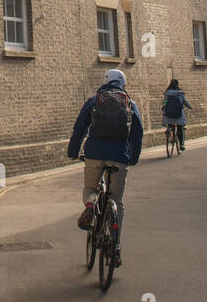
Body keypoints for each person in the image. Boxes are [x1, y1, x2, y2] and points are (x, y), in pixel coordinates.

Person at [67, 69, 143, 265]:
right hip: (119, 157)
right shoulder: (129, 103)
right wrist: (132, 158)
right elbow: (137, 134)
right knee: (117, 200)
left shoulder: (94, 101)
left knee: (90, 188)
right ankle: (116, 246)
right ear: (122, 84)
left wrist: (73, 152)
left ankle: (91, 206)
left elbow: (79, 128)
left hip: (94, 153)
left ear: (106, 82)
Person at [161, 78, 192, 150]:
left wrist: (164, 108)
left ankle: (169, 128)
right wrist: (189, 107)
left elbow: (165, 102)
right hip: (178, 114)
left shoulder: (167, 93)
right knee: (180, 127)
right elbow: (184, 102)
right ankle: (181, 145)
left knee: (169, 119)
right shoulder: (180, 93)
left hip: (169, 114)